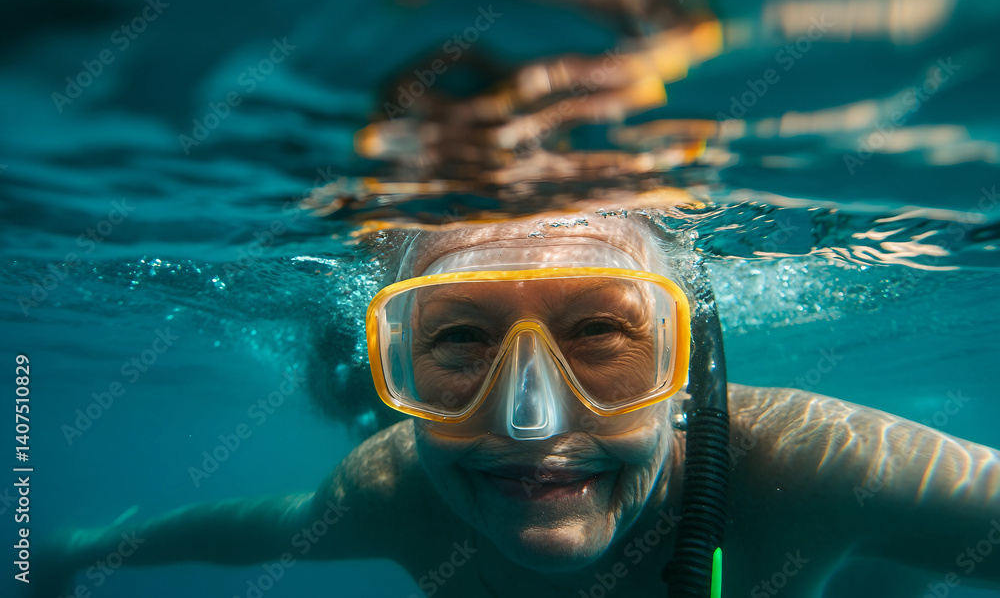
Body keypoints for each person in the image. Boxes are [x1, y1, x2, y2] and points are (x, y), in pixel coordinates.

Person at [34, 214, 1000, 597]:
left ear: (690, 368)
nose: (531, 422)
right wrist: (85, 545)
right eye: (456, 340)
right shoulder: (395, 486)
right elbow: (260, 530)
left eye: (603, 335)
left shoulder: (814, 460)